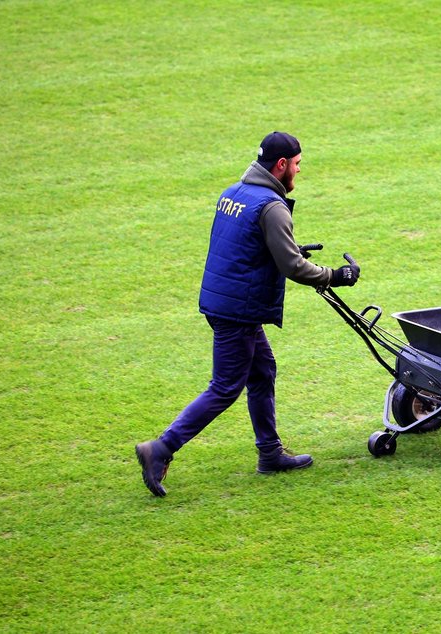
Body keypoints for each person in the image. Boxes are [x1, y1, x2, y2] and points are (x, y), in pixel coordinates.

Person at [135, 131, 360, 497]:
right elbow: (292, 267)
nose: (299, 172)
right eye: (298, 164)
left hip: (222, 299)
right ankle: (160, 449)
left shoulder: (233, 194)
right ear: (281, 164)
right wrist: (336, 276)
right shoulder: (271, 207)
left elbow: (244, 247)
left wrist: (283, 247)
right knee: (224, 388)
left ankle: (269, 453)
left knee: (262, 370)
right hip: (237, 309)